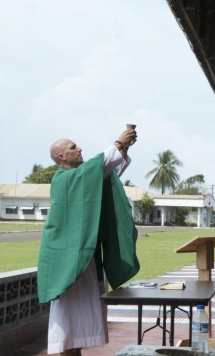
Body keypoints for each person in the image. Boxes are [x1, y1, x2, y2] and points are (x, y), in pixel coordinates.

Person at [38, 128, 141, 356]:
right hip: (67, 263)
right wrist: (117, 143)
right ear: (62, 157)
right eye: (73, 147)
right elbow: (96, 168)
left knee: (77, 330)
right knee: (66, 329)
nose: (80, 148)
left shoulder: (80, 177)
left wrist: (123, 148)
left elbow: (101, 172)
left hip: (84, 259)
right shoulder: (64, 179)